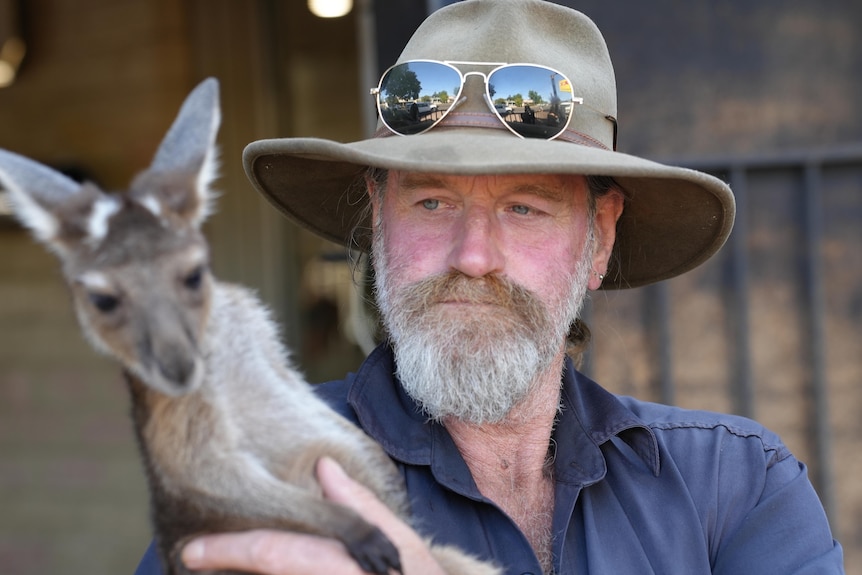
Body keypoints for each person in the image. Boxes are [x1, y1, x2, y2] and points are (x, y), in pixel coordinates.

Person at [135, 0, 844, 573]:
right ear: (379, 220)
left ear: (600, 237)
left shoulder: (736, 485)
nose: (473, 256)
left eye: (525, 207)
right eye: (432, 202)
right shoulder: (262, 481)